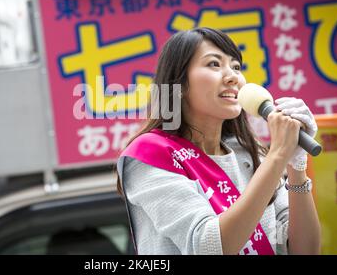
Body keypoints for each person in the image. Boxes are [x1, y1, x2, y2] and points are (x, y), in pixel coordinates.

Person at [116, 27, 321, 255]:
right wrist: (278, 156)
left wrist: (296, 165)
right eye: (214, 64)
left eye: (236, 67)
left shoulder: (252, 155)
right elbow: (208, 247)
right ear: (180, 84)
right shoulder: (151, 155)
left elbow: (306, 250)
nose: (233, 76)